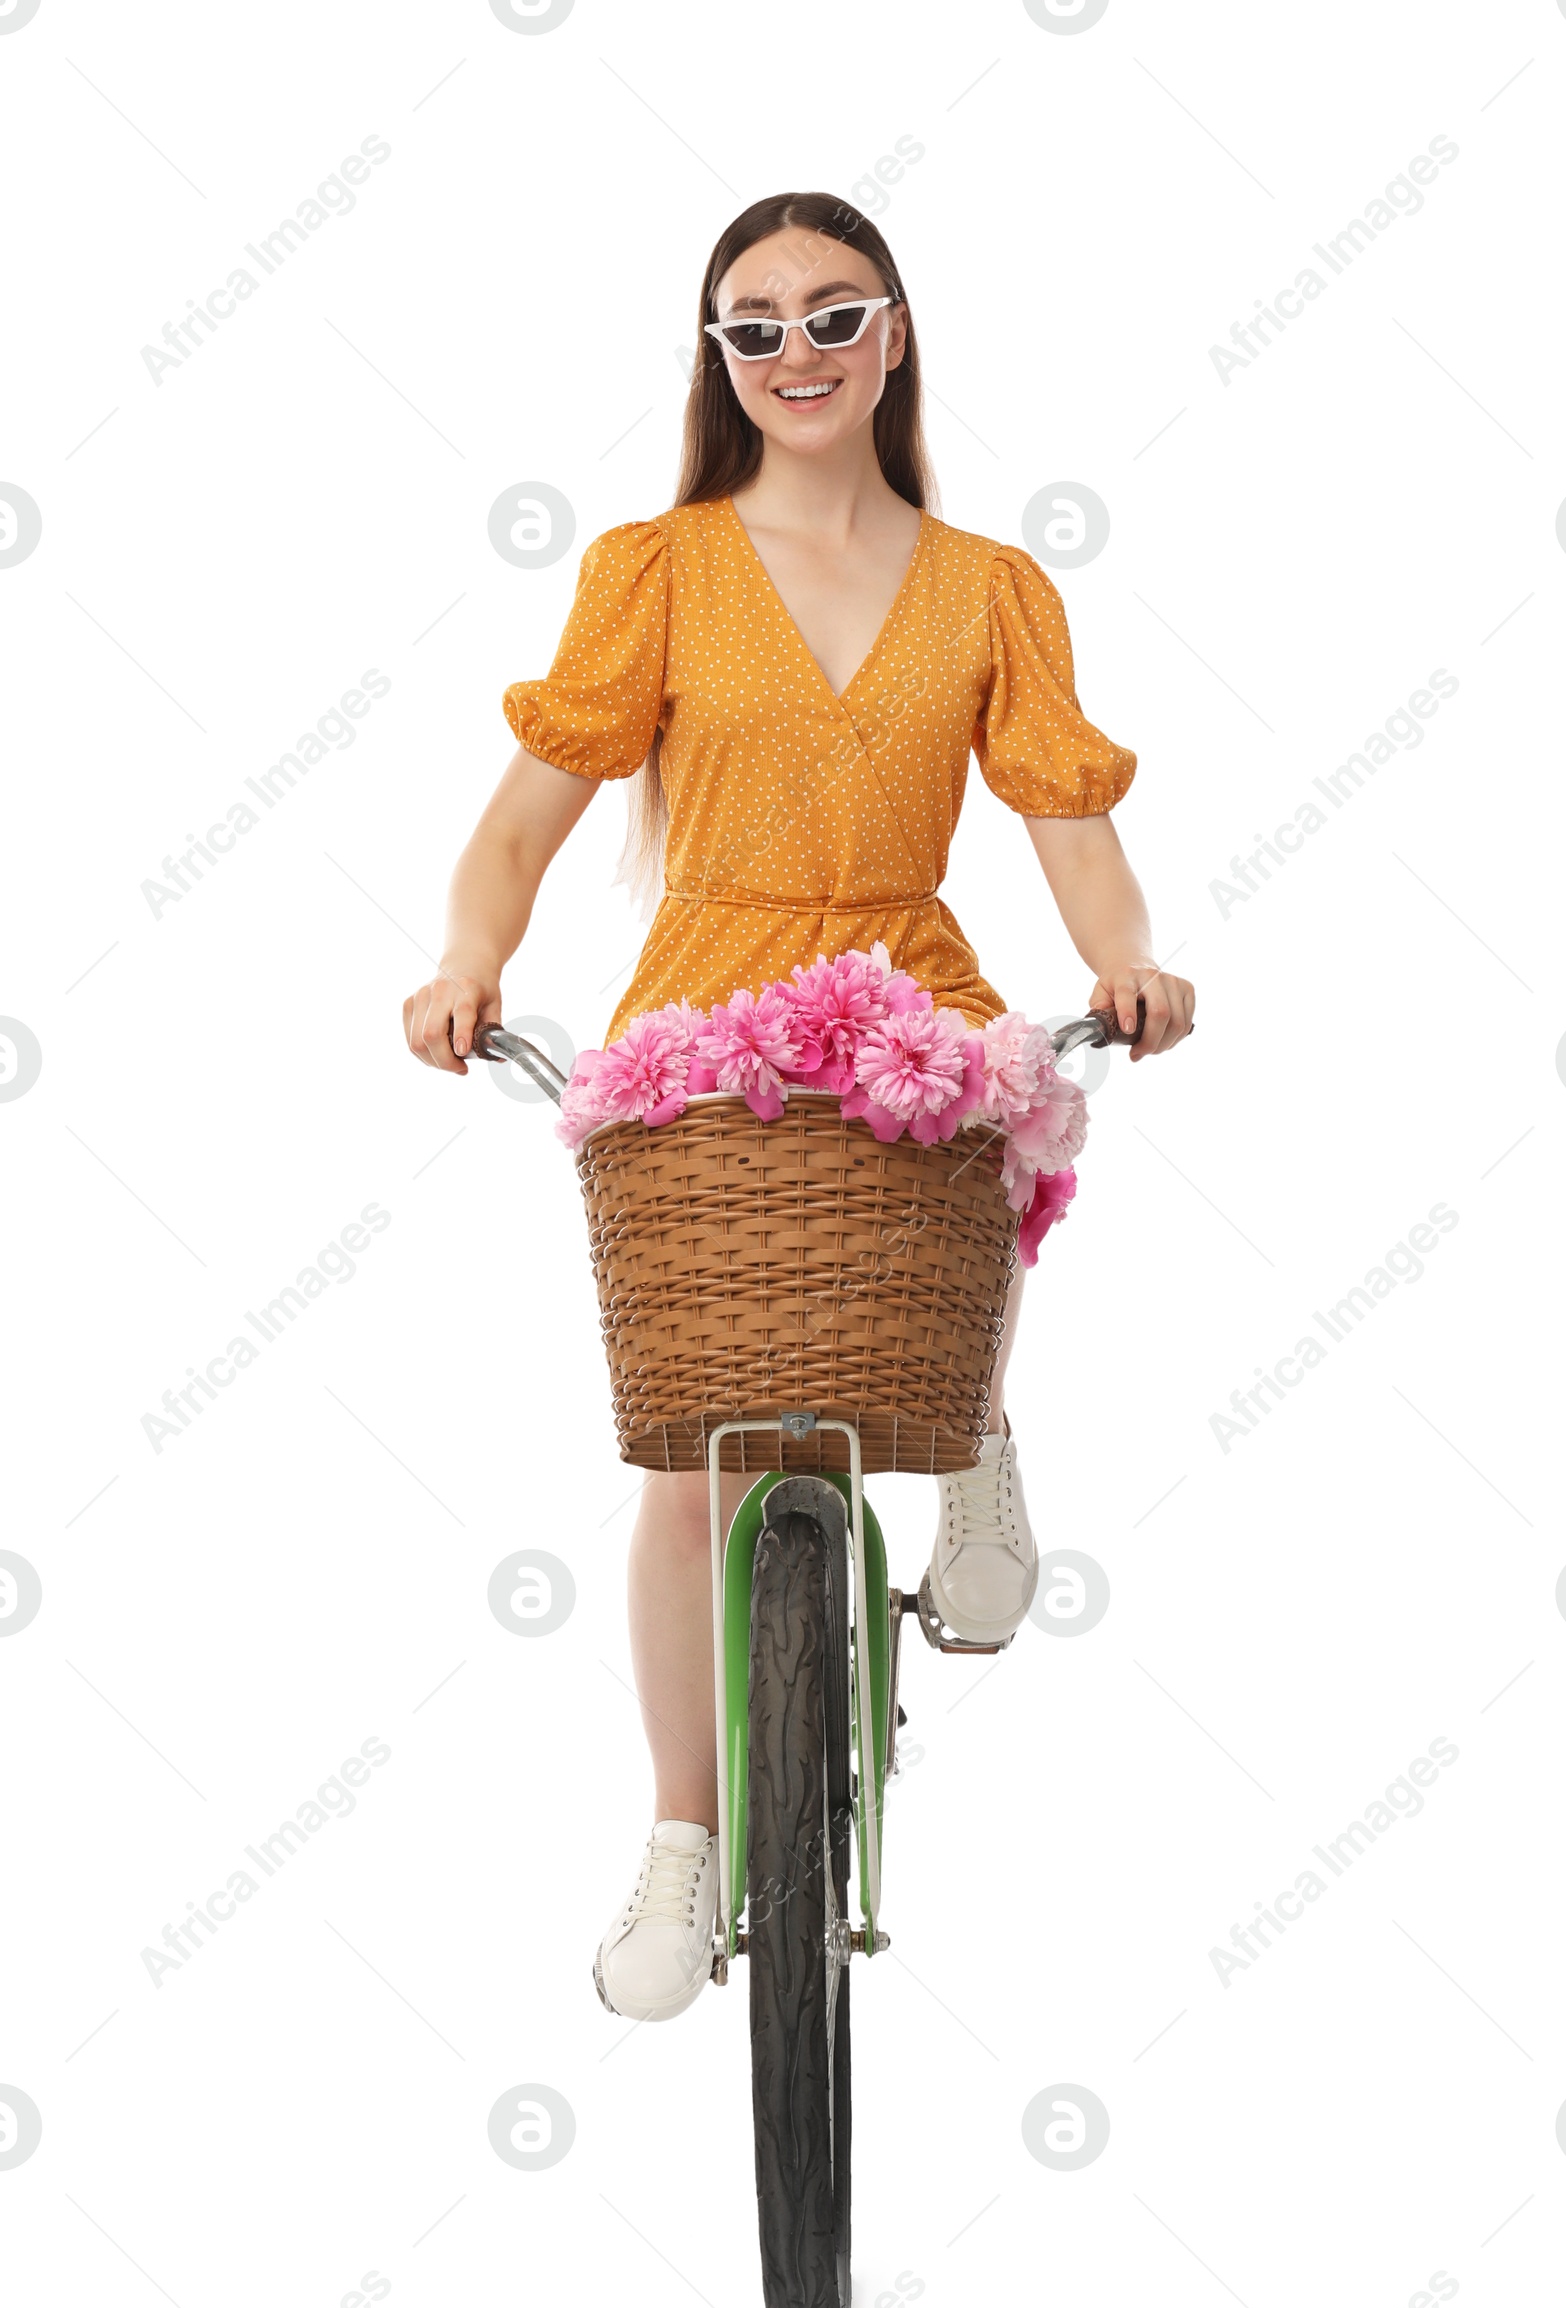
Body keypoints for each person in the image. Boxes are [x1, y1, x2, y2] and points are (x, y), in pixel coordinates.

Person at [403, 192, 1194, 2025]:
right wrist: (467, 959)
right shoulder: (658, 568)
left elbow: (1072, 828)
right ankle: (686, 1833)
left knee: (983, 1145)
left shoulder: (994, 586)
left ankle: (971, 1419)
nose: (798, 354)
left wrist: (1131, 962)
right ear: (719, 358)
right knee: (691, 1453)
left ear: (896, 336)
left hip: (906, 973)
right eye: (754, 327)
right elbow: (519, 822)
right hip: (707, 1000)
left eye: (836, 317)